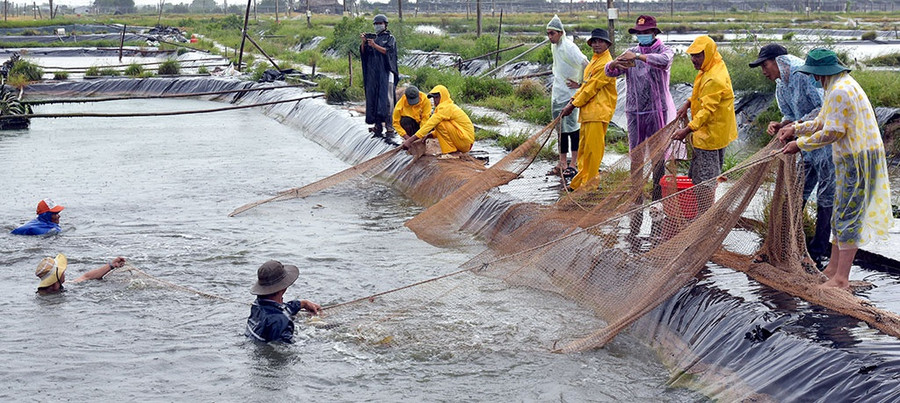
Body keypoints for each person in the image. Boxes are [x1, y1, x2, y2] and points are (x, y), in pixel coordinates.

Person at [778, 49, 892, 290]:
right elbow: (822, 121)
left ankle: (841, 278)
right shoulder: (837, 86)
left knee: (848, 216)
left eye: (814, 74)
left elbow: (833, 132)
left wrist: (800, 144)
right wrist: (796, 128)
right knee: (840, 214)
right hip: (851, 156)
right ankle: (833, 269)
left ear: (821, 73)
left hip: (858, 158)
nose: (813, 78)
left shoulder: (840, 90)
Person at [749, 43, 835, 263]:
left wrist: (795, 126)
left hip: (825, 142)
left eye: (765, 65)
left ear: (779, 61)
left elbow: (822, 110)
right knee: (798, 190)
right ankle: (788, 242)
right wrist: (781, 124)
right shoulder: (781, 84)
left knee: (827, 193)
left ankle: (817, 251)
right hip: (805, 145)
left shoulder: (802, 73)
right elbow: (789, 114)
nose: (763, 71)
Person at [672, 35, 737, 214]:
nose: (694, 59)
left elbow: (707, 111)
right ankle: (703, 213)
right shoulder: (711, 66)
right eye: (692, 55)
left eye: (698, 55)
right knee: (701, 177)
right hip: (711, 133)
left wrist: (686, 129)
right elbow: (703, 94)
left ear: (707, 54)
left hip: (711, 136)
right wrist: (687, 103)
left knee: (706, 181)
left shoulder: (714, 77)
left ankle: (705, 217)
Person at [559, 28, 618, 191]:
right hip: (587, 113)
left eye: (600, 41)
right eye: (594, 42)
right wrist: (572, 100)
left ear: (607, 44)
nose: (597, 44)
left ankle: (590, 186)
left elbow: (591, 88)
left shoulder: (606, 64)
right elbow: (584, 85)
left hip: (598, 113)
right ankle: (579, 183)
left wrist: (572, 105)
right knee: (584, 151)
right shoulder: (593, 61)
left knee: (593, 152)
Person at [545, 14, 588, 180]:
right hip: (558, 93)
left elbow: (585, 63)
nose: (550, 37)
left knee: (572, 129)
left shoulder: (569, 47)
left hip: (570, 95)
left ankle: (573, 163)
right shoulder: (555, 47)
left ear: (560, 33)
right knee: (560, 129)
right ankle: (562, 162)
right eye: (548, 34)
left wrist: (580, 83)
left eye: (552, 33)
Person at [246, 260, 322, 344]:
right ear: (284, 287)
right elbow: (286, 348)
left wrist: (303, 303)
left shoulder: (257, 305)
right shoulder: (280, 321)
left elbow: (281, 309)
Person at [401, 85, 475, 159]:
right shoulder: (446, 107)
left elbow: (430, 124)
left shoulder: (445, 108)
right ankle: (452, 150)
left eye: (437, 97)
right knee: (440, 124)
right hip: (464, 141)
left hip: (465, 142)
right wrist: (430, 135)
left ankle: (452, 153)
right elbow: (448, 130)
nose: (435, 100)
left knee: (439, 123)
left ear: (443, 96)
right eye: (433, 98)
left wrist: (410, 140)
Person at [360, 14, 399, 140]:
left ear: (385, 24)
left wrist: (375, 46)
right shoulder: (373, 39)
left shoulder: (390, 38)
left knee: (387, 101)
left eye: (380, 23)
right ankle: (377, 125)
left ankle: (389, 126)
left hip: (386, 74)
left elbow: (389, 52)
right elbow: (363, 53)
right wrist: (364, 42)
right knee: (374, 99)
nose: (378, 26)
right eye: (376, 24)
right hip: (374, 76)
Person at [35, 253, 127, 294]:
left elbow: (86, 277)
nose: (64, 272)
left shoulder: (63, 285)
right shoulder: (47, 296)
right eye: (62, 271)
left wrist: (111, 265)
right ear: (57, 276)